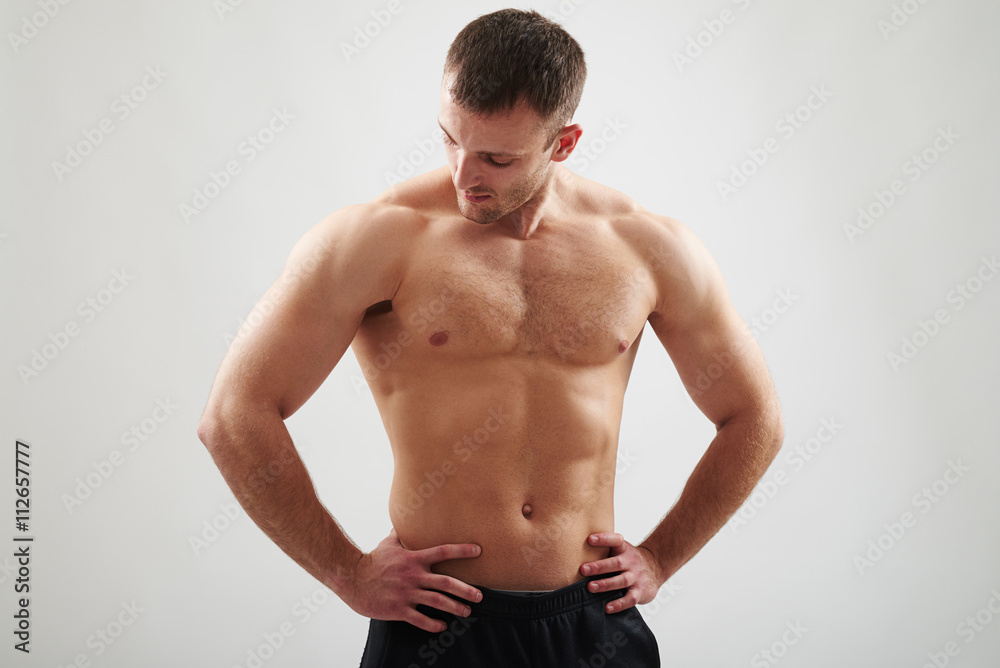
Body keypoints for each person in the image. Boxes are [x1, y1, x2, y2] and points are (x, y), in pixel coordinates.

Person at [197, 8, 784, 667]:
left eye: (496, 159)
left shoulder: (646, 247)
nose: (461, 175)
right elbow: (233, 414)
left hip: (593, 621)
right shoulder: (375, 239)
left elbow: (754, 417)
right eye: (450, 140)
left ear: (564, 143)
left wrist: (660, 557)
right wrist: (347, 573)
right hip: (437, 624)